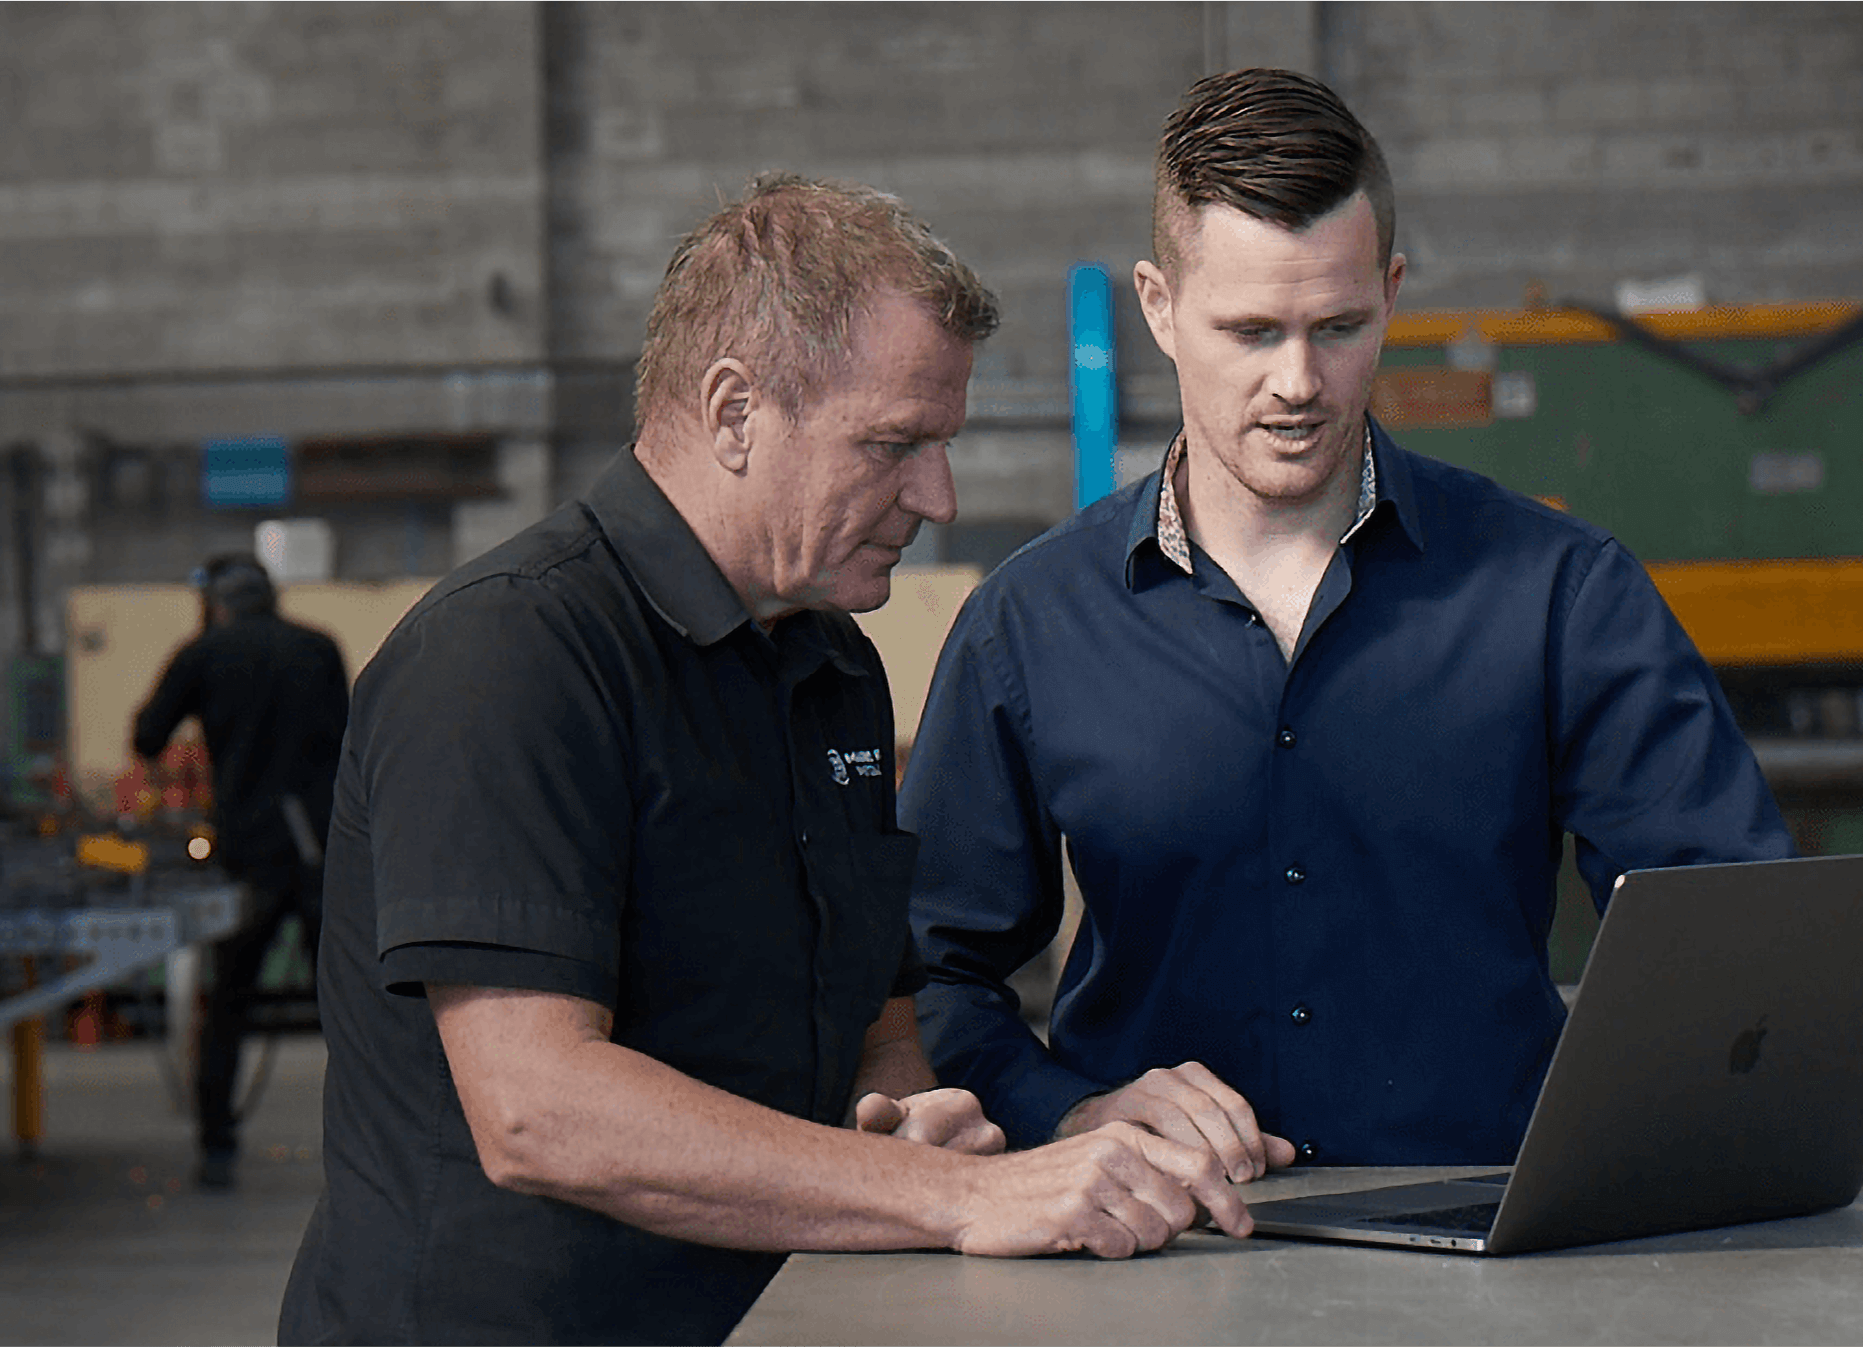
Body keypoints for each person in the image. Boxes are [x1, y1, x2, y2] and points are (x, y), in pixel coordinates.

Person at [278, 175, 1256, 1347]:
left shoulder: (829, 666)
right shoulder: (511, 658)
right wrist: (956, 1195)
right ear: (733, 411)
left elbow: (874, 1012)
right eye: (893, 446)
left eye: (940, 446)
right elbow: (536, 1108)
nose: (935, 498)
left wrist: (901, 1113)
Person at [901, 68, 1793, 1177]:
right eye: (1250, 330)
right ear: (1157, 307)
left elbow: (1727, 938)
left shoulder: (1562, 596)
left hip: (1493, 1242)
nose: (1297, 381)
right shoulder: (1028, 626)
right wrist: (1065, 1112)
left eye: (1337, 326)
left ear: (1392, 291)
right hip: (1152, 1247)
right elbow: (926, 977)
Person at [132, 553, 348, 1190]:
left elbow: (147, 736)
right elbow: (353, 739)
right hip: (321, 851)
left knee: (229, 1002)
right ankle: (376, 1146)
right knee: (348, 1007)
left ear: (217, 603)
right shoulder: (318, 648)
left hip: (249, 857)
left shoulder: (205, 654)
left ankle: (218, 1147)